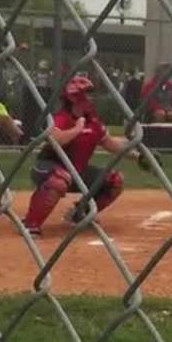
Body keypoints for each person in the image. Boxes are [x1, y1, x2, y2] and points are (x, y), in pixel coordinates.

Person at [23, 74, 139, 236]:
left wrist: (138, 156)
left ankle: (80, 214)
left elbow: (110, 144)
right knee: (58, 180)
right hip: (48, 168)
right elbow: (55, 140)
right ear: (75, 97)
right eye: (87, 94)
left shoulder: (93, 121)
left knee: (115, 180)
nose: (91, 98)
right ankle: (31, 224)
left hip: (77, 172)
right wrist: (76, 129)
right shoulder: (61, 118)